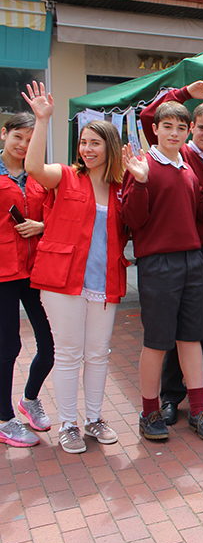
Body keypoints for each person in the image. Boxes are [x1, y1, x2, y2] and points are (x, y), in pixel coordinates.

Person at [22, 83, 127, 453]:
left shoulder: (121, 187)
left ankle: (94, 419)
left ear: (109, 147)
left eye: (95, 143)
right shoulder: (67, 175)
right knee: (68, 353)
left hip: (105, 281)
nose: (87, 149)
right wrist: (42, 120)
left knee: (98, 353)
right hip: (62, 281)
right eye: (83, 142)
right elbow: (33, 167)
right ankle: (68, 424)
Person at [138, 80, 203, 422]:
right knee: (169, 333)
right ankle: (171, 395)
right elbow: (151, 117)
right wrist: (182, 93)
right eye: (200, 127)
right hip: (174, 253)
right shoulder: (178, 153)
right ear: (190, 128)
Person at [122, 100, 203, 442]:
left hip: (191, 259)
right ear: (155, 129)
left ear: (188, 131)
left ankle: (197, 410)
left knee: (191, 338)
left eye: (182, 128)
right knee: (157, 341)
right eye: (168, 127)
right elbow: (132, 221)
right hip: (158, 262)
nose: (175, 133)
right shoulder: (143, 165)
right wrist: (138, 183)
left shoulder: (188, 167)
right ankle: (149, 411)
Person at [0, 112, 53, 449]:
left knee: (51, 344)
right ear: (4, 134)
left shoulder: (39, 176)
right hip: (3, 273)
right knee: (8, 347)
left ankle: (29, 399)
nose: (22, 145)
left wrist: (41, 226)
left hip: (36, 272)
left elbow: (56, 217)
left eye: (30, 140)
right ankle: (5, 419)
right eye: (17, 137)